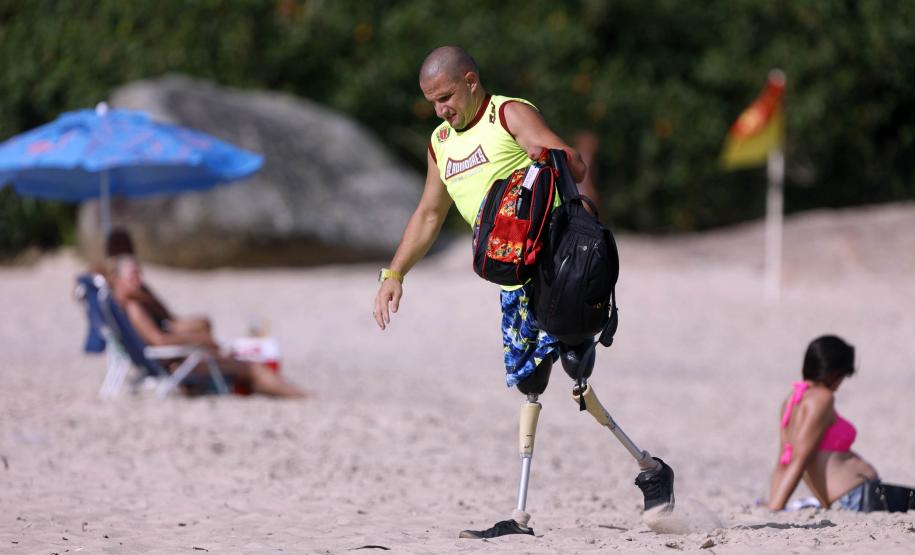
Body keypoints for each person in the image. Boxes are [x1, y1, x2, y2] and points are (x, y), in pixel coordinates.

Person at [372, 46, 674, 539]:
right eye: (431, 101)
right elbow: (429, 214)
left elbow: (570, 166)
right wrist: (395, 274)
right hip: (511, 280)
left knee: (576, 375)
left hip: (558, 268)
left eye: (446, 96)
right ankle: (636, 472)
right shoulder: (440, 142)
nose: (440, 109)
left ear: (471, 81)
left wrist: (550, 156)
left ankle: (641, 473)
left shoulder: (508, 113)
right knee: (530, 381)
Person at [108, 255, 306, 399]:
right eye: (133, 275)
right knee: (252, 368)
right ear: (117, 279)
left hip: (175, 362)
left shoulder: (132, 304)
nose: (139, 280)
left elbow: (167, 322)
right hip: (175, 363)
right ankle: (301, 397)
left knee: (244, 364)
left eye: (139, 274)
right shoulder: (134, 308)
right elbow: (159, 341)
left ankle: (296, 394)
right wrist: (199, 340)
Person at [767, 335, 878, 510]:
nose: (842, 382)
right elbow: (801, 458)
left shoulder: (792, 400)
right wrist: (776, 507)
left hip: (847, 498)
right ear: (834, 372)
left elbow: (784, 460)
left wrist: (773, 502)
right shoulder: (822, 399)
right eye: (843, 375)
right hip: (855, 496)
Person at [105, 227, 212, 337]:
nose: (138, 277)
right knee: (202, 327)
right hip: (162, 327)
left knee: (202, 325)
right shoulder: (129, 296)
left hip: (163, 323)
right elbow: (158, 337)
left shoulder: (121, 282)